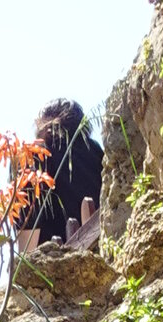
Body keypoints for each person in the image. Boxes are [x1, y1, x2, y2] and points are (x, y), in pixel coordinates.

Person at [26, 99, 104, 245]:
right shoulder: (95, 151)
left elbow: (27, 224)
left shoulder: (35, 155)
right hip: (102, 238)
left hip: (56, 250)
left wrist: (25, 257)